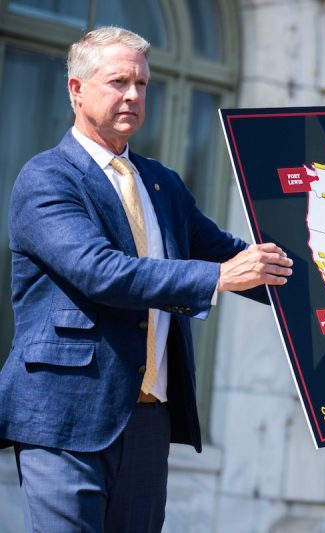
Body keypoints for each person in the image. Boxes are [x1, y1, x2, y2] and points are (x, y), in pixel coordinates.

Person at [0, 26, 293, 532]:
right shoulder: (46, 178)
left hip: (147, 421)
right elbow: (101, 272)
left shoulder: (162, 184)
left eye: (141, 84)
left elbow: (235, 256)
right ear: (76, 89)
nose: (133, 95)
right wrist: (217, 278)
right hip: (64, 418)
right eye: (118, 82)